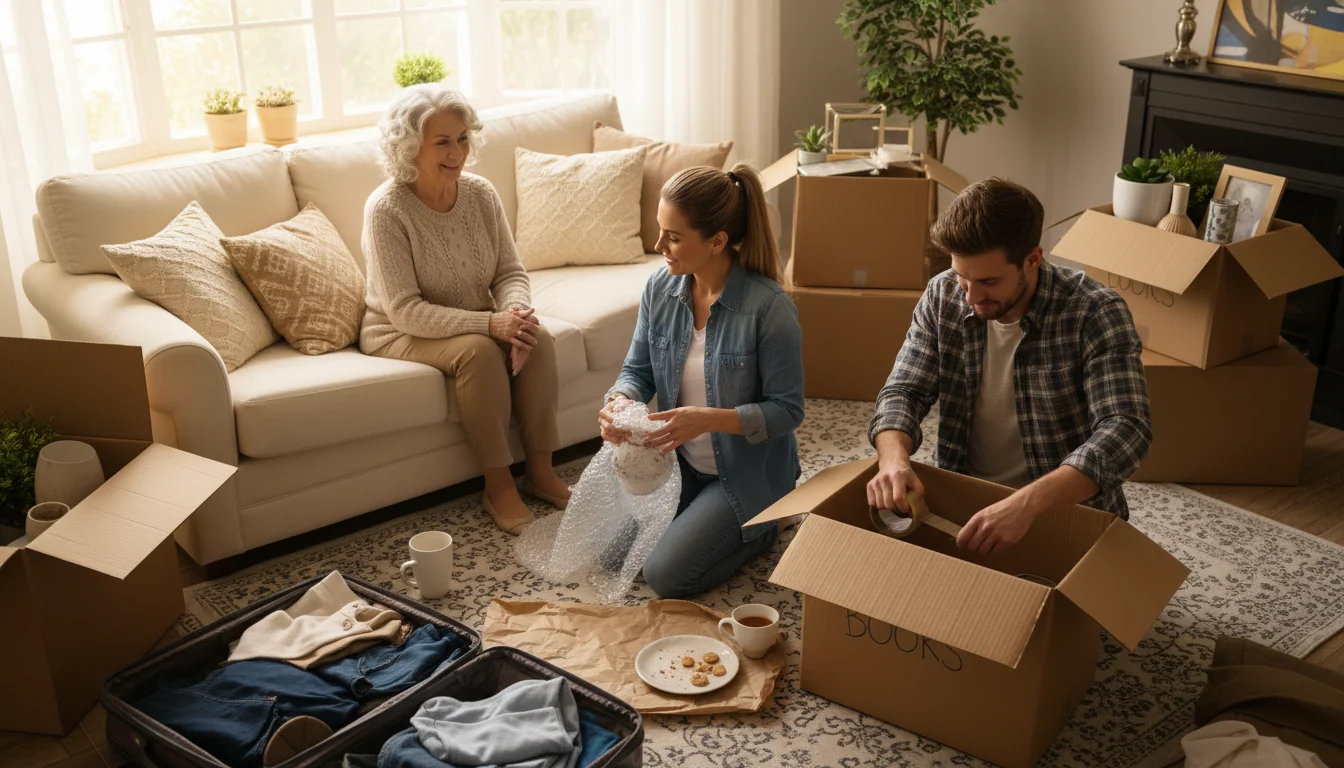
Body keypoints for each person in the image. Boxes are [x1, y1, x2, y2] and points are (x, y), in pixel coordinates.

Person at [867, 177, 1152, 555]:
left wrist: (1026, 504)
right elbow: (904, 390)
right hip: (967, 501)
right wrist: (893, 460)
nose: (970, 296)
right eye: (961, 276)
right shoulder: (942, 294)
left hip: (1064, 511)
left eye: (988, 281)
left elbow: (1126, 429)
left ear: (1033, 258)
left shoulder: (1095, 311)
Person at [360, 85, 570, 536]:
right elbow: (404, 310)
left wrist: (514, 316)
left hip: (477, 317)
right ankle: (498, 486)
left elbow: (510, 271)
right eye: (442, 142)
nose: (457, 152)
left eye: (462, 138)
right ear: (409, 146)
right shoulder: (386, 210)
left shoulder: (480, 193)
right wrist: (492, 324)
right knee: (477, 350)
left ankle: (540, 471)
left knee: (539, 336)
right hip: (398, 330)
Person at [598, 164, 805, 599]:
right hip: (683, 465)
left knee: (665, 576)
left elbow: (788, 411)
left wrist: (706, 419)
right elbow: (637, 371)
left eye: (673, 236)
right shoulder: (660, 288)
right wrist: (619, 400)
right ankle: (700, 518)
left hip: (747, 475)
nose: (658, 246)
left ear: (717, 241)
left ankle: (769, 523)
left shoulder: (769, 308)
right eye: (660, 231)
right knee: (615, 554)